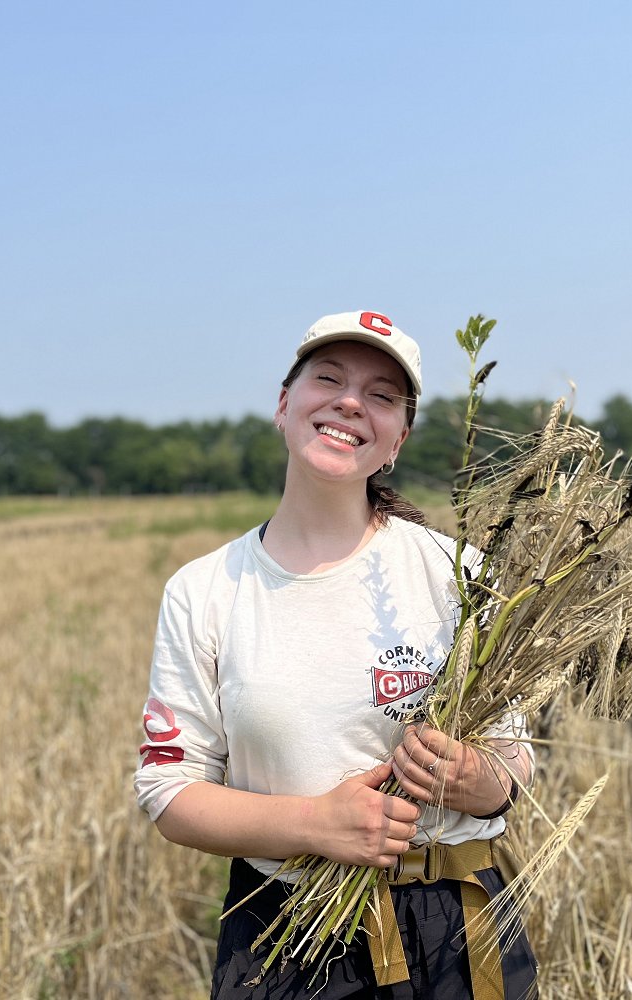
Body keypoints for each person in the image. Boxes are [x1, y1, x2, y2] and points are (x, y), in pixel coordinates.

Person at [133, 311, 537, 999]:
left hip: (457, 930)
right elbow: (169, 792)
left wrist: (478, 777)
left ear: (398, 439)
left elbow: (515, 762)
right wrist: (314, 825)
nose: (351, 402)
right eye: (329, 379)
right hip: (286, 930)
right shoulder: (204, 591)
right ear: (284, 405)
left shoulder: (460, 574)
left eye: (382, 395)